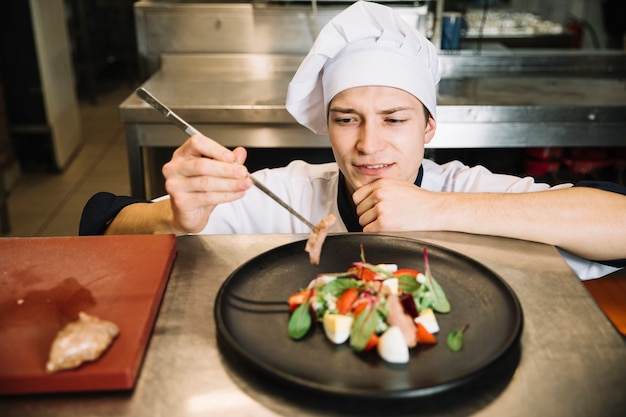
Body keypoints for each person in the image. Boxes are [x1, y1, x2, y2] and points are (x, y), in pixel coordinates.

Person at [80, 1, 626, 280]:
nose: (368, 145)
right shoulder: (287, 195)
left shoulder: (463, 188)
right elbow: (105, 226)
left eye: (394, 119)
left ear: (429, 126)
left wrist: (436, 208)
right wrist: (171, 219)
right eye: (347, 119)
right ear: (326, 125)